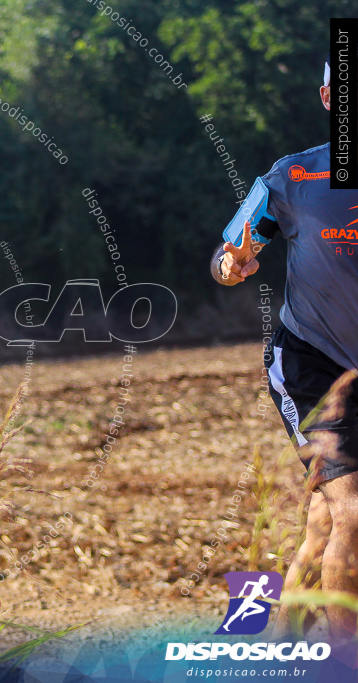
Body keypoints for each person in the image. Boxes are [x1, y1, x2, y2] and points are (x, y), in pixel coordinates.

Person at [211, 58, 358, 642]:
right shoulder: (293, 177)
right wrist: (232, 265)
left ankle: (273, 644)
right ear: (329, 98)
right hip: (311, 365)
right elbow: (230, 254)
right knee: (354, 511)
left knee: (325, 522)